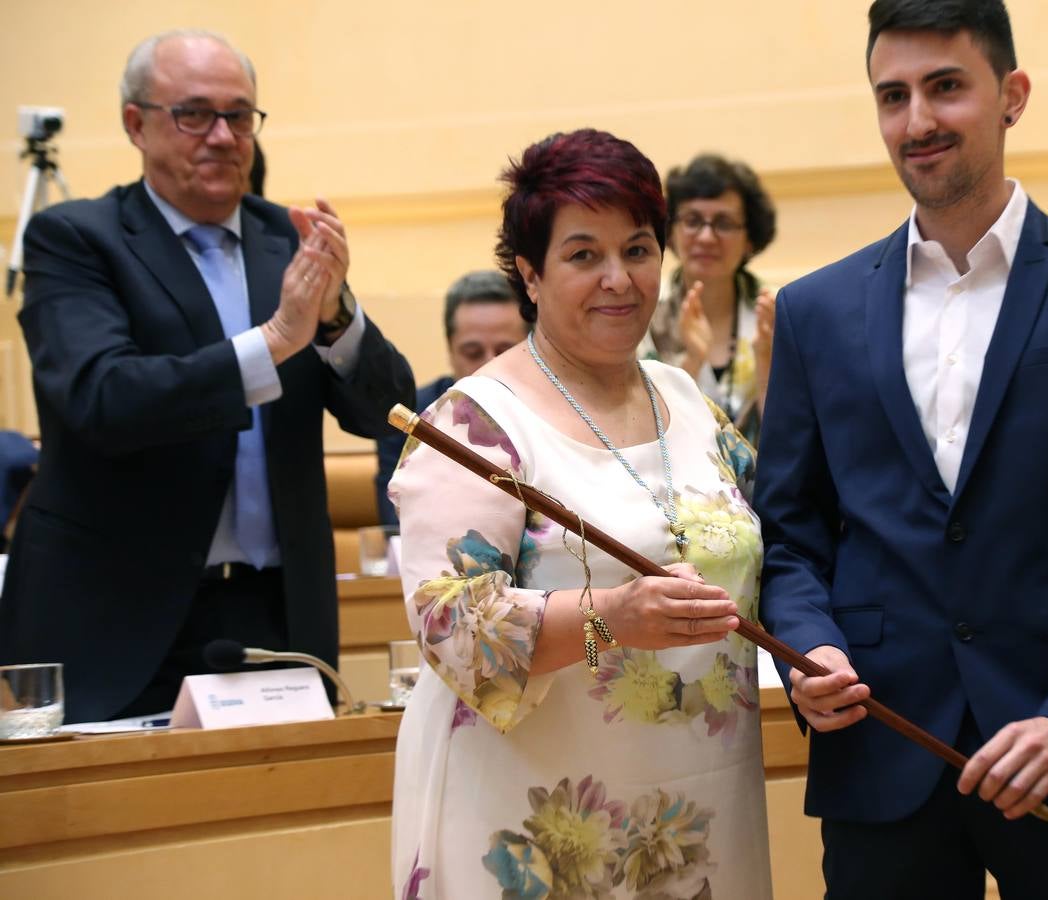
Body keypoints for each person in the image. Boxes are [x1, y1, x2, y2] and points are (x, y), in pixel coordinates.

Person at [754, 2, 1048, 897]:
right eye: (892, 96)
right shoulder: (814, 313)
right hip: (882, 752)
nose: (917, 121)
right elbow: (791, 533)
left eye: (945, 88)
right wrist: (805, 648)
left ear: (1011, 95)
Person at [388, 128, 771, 899]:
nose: (618, 280)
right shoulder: (476, 424)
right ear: (529, 275)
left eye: (637, 249)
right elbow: (450, 628)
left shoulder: (689, 400)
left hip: (697, 807)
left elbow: (770, 544)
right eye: (582, 255)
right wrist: (608, 618)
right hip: (539, 822)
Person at [0, 29, 414, 723]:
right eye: (194, 114)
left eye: (240, 115)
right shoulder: (75, 240)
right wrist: (276, 341)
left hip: (276, 613)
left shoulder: (289, 239)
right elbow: (104, 398)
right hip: (117, 614)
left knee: (282, 823)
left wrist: (338, 314)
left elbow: (391, 414)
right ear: (136, 123)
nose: (222, 136)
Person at [374, 270, 528, 525]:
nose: (489, 365)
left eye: (504, 351)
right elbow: (395, 519)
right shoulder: (410, 415)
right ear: (450, 348)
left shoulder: (558, 413)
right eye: (472, 352)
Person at [642, 154, 777, 444]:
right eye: (692, 221)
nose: (706, 237)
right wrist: (692, 359)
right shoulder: (642, 313)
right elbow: (638, 426)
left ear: (750, 238)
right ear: (672, 232)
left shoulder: (776, 315)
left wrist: (768, 363)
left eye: (724, 223)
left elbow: (793, 434)